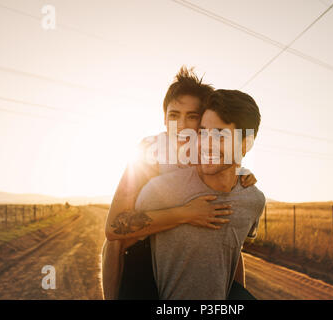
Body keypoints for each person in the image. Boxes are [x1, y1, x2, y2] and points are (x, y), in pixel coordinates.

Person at [101, 67, 257, 299]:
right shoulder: (149, 152)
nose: (182, 125)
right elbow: (114, 228)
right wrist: (186, 214)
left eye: (192, 116)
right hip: (141, 252)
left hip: (195, 257)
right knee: (115, 246)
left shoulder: (212, 157)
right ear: (164, 118)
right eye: (174, 115)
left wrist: (241, 173)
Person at [131, 89, 265, 299]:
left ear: (245, 144)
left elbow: (232, 253)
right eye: (203, 132)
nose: (206, 144)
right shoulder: (160, 189)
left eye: (220, 135)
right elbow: (118, 241)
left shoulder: (253, 200)